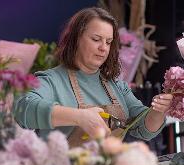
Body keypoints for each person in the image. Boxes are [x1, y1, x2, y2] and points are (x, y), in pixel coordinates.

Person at [14, 7, 173, 147]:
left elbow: (144, 129)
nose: (103, 48)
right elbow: (22, 109)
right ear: (75, 39)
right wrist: (79, 117)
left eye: (108, 42)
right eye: (96, 39)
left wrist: (158, 111)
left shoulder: (117, 86)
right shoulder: (51, 80)